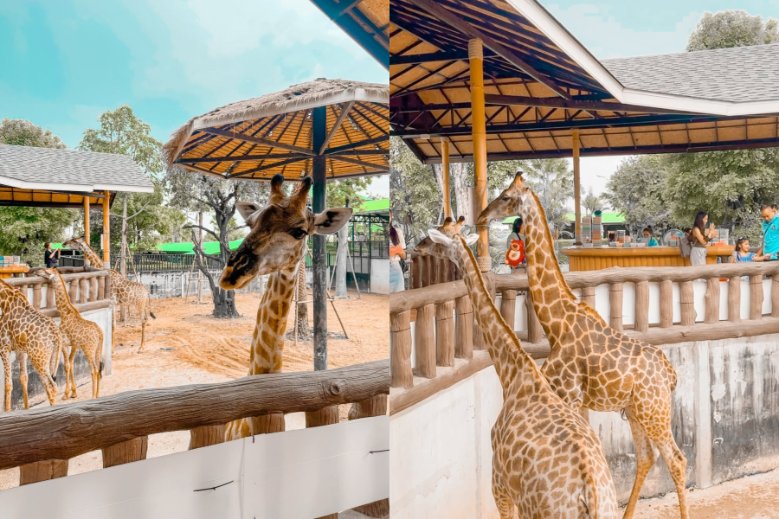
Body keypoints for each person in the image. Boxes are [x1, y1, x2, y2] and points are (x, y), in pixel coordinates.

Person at [389, 223, 406, 293]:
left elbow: (404, 256)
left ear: (391, 215)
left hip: (395, 268)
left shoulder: (398, 232)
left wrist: (398, 250)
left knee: (399, 297)